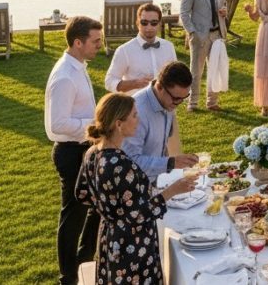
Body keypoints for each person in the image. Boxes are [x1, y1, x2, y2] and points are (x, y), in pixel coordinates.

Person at [76, 93, 197, 284]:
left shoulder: (92, 153)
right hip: (133, 246)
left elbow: (82, 193)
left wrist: (110, 210)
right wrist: (173, 190)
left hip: (110, 238)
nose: (138, 120)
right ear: (118, 124)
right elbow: (138, 215)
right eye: (134, 115)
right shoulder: (121, 165)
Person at [45, 16, 103, 285]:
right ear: (77, 42)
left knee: (96, 207)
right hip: (71, 152)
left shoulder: (78, 65)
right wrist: (94, 124)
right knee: (73, 215)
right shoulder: (65, 76)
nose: (99, 46)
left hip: (84, 148)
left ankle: (84, 262)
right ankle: (68, 276)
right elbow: (57, 124)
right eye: (95, 41)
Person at [123, 61, 199, 184]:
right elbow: (130, 161)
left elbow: (160, 147)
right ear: (159, 87)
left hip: (156, 181)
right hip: (135, 186)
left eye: (183, 99)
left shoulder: (166, 102)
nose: (178, 104)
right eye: (176, 98)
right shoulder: (136, 113)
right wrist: (170, 163)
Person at [180, 0, 228, 112]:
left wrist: (224, 11)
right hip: (200, 36)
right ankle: (192, 104)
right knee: (196, 72)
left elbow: (223, 5)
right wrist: (193, 32)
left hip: (217, 35)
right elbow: (184, 13)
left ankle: (212, 102)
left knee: (215, 69)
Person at [104, 3, 177, 95]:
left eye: (154, 23)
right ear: (137, 23)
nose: (149, 27)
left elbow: (176, 76)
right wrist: (134, 84)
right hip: (137, 107)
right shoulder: (125, 50)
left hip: (165, 106)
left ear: (159, 24)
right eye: (144, 23)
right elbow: (109, 82)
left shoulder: (168, 47)